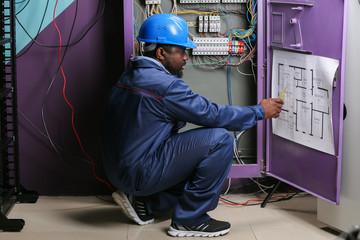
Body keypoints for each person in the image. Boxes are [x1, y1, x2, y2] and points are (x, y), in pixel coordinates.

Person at [101, 13, 283, 237]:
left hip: (119, 171)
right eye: (181, 51)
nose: (186, 57)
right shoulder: (164, 85)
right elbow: (212, 115)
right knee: (219, 140)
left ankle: (146, 203)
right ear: (161, 53)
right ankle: (190, 219)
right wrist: (259, 111)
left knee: (197, 152)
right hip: (138, 173)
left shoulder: (131, 75)